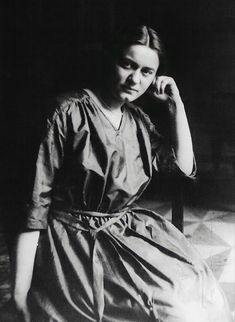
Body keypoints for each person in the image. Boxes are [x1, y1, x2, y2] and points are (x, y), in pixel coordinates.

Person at [12, 25, 232, 322]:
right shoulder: (66, 112)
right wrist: (19, 293)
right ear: (109, 60)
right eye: (127, 65)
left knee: (193, 295)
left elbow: (180, 167)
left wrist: (176, 106)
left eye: (147, 72)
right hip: (72, 239)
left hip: (123, 230)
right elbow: (34, 204)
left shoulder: (137, 119)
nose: (135, 79)